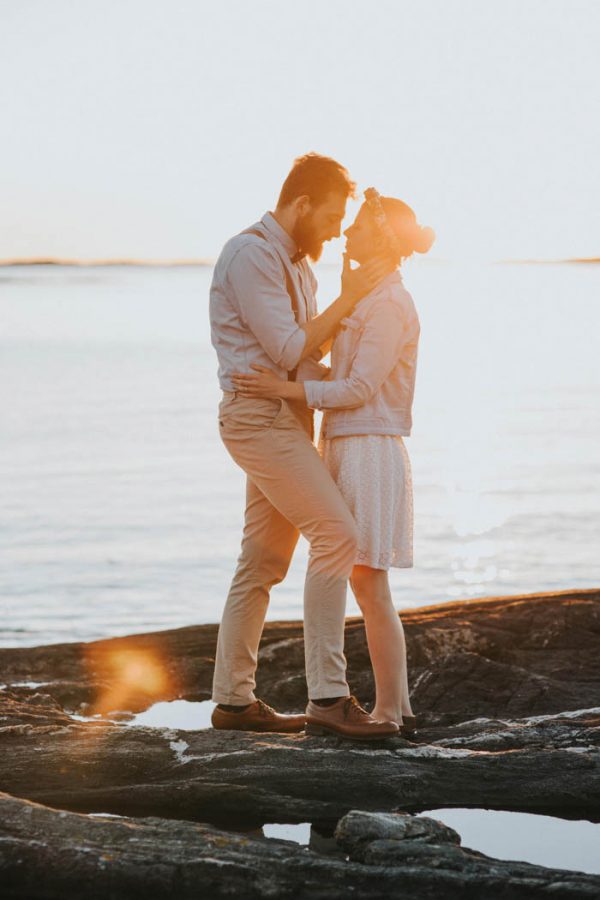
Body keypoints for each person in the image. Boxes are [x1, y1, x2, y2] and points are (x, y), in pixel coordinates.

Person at [209, 154, 398, 739]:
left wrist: (360, 376)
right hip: (256, 419)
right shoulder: (251, 255)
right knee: (337, 535)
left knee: (263, 561)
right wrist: (352, 297)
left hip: (286, 418)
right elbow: (291, 348)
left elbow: (305, 359)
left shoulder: (300, 266)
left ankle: (233, 705)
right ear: (300, 204)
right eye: (333, 215)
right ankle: (329, 698)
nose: (338, 228)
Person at [232, 188, 434, 733]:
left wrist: (283, 389)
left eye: (359, 226)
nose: (347, 234)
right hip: (343, 442)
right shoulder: (367, 299)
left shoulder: (391, 303)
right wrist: (287, 383)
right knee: (364, 581)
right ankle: (398, 708)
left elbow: (360, 387)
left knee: (370, 583)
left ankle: (392, 709)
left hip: (369, 447)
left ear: (383, 238)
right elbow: (337, 377)